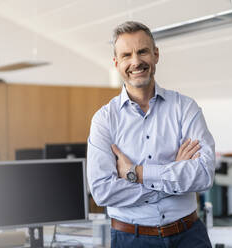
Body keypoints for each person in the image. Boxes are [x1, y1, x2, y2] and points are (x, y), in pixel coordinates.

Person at [87, 21, 215, 248]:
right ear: (116, 63)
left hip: (189, 235)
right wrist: (173, 177)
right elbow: (102, 192)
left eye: (142, 51)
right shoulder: (104, 120)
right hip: (131, 239)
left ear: (156, 55)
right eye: (126, 55)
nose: (136, 62)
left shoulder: (185, 108)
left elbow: (204, 175)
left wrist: (136, 173)